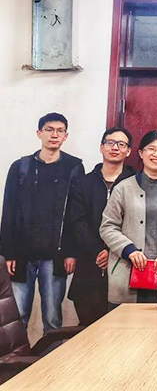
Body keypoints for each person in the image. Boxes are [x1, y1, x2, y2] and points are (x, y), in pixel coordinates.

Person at [1, 112, 84, 334]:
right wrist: (8, 253)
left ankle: (52, 357)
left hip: (55, 255)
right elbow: (9, 210)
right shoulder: (21, 167)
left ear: (66, 136)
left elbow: (75, 213)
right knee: (18, 315)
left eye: (59, 131)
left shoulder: (73, 167)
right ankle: (18, 357)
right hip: (22, 253)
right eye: (49, 130)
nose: (54, 135)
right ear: (39, 133)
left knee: (52, 317)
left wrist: (71, 252)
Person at [100, 130, 157, 306]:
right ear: (141, 153)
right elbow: (108, 226)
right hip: (127, 271)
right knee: (124, 323)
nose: (156, 154)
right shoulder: (123, 188)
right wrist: (129, 250)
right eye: (151, 149)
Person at [61, 128, 135, 325]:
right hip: (89, 263)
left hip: (123, 264)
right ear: (102, 147)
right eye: (110, 142)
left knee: (121, 329)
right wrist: (98, 250)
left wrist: (112, 250)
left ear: (128, 151)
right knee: (88, 328)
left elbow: (136, 223)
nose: (115, 148)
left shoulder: (136, 183)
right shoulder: (83, 182)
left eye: (121, 144)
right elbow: (77, 221)